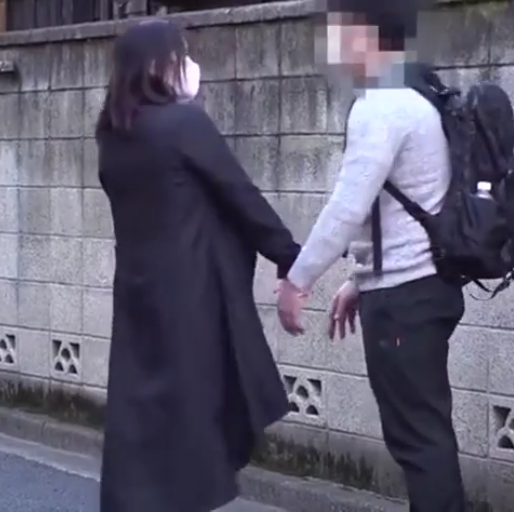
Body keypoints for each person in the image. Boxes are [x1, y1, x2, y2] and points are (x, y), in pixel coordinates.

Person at [95, 19, 301, 512]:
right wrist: (292, 258)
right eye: (180, 55)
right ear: (157, 66)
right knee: (196, 415)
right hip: (192, 294)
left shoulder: (113, 134)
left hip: (140, 295)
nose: (188, 65)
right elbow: (240, 196)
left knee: (145, 417)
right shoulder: (183, 125)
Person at [276, 1, 467, 512]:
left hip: (405, 298)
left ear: (370, 34)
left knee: (418, 442)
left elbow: (348, 207)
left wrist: (298, 279)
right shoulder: (418, 92)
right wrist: (359, 280)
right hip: (425, 287)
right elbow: (407, 205)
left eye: (340, 31)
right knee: (425, 434)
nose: (333, 45)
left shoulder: (381, 104)